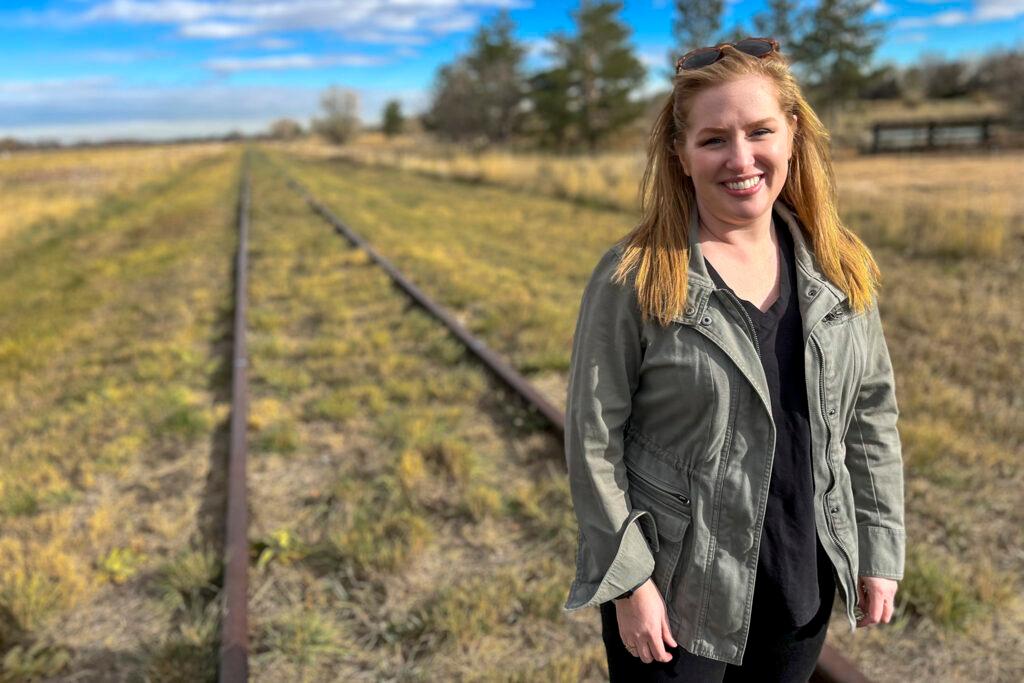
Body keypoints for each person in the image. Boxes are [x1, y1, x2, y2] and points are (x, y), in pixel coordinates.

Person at [561, 37, 905, 682]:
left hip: (801, 582)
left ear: (793, 134)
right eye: (714, 139)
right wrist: (630, 582)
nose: (741, 159)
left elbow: (870, 418)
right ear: (681, 155)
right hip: (676, 592)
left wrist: (879, 549)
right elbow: (591, 440)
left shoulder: (840, 270)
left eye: (760, 132)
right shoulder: (636, 278)